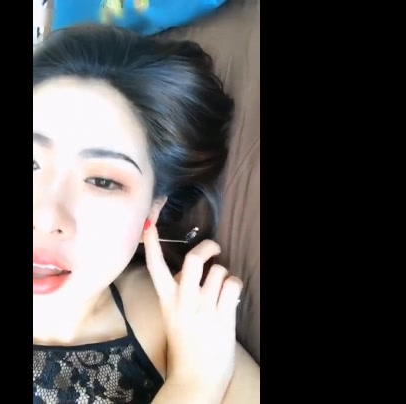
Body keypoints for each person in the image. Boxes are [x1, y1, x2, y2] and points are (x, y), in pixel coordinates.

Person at [33, 25, 260, 403]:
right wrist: (194, 385)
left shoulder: (178, 320)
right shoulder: (197, 364)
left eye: (103, 181)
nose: (44, 217)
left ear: (153, 210)